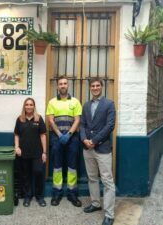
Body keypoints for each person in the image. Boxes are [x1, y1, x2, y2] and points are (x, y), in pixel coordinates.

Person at [80, 78, 116, 225]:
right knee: (92, 178)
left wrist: (94, 141)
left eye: (97, 85)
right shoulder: (86, 105)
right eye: (93, 86)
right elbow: (82, 125)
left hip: (102, 148)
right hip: (87, 148)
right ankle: (95, 203)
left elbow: (110, 126)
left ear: (101, 87)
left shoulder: (109, 104)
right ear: (90, 88)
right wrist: (84, 140)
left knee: (107, 181)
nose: (95, 88)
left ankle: (109, 214)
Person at [46, 75, 82, 207]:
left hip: (72, 139)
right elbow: (50, 120)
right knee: (57, 167)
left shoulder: (76, 102)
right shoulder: (52, 102)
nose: (62, 85)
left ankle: (72, 194)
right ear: (57, 86)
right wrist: (60, 134)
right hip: (56, 138)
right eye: (60, 83)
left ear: (68, 85)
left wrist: (69, 134)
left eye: (65, 83)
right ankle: (57, 193)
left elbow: (77, 119)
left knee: (72, 167)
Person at [14, 98, 47, 207]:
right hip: (23, 153)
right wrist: (17, 147)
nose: (29, 106)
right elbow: (17, 134)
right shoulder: (20, 119)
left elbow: (43, 135)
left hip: (37, 153)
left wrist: (44, 152)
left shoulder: (39, 119)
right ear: (24, 106)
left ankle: (40, 197)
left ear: (34, 106)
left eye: (31, 104)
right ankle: (27, 196)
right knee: (25, 175)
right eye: (27, 104)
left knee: (38, 172)